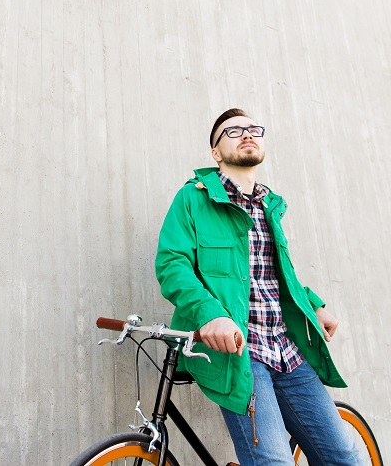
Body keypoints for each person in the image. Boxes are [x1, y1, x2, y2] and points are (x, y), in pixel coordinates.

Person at [155, 108, 363, 465]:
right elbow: (172, 266)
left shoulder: (271, 206)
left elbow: (279, 274)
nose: (247, 134)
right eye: (233, 131)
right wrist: (211, 316)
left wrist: (313, 304)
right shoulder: (193, 198)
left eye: (253, 129)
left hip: (286, 350)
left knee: (345, 458)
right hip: (240, 354)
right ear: (216, 153)